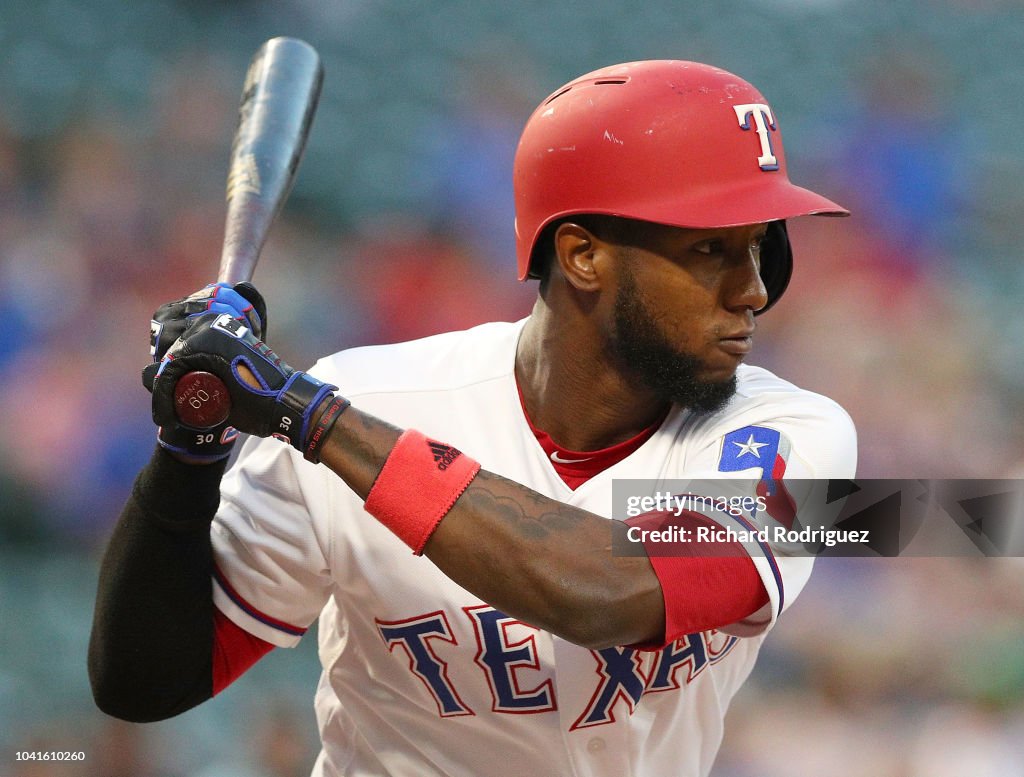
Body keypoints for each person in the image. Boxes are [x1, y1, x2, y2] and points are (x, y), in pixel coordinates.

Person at [89, 60, 857, 777]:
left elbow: (603, 587)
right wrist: (191, 442)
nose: (753, 289)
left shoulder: (793, 433)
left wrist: (303, 411)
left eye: (760, 247)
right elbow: (144, 682)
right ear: (584, 255)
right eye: (711, 249)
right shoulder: (377, 396)